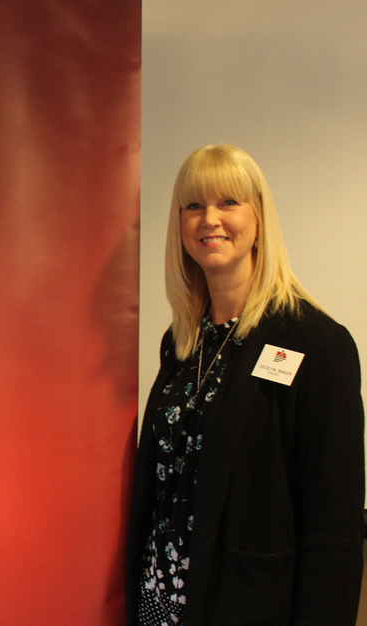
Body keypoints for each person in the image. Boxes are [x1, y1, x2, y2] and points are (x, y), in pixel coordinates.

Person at [126, 144, 364, 626]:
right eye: (193, 205)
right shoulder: (182, 342)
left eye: (228, 202)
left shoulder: (316, 343)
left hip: (247, 604)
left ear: (259, 219)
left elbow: (333, 529)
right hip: (161, 601)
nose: (209, 218)